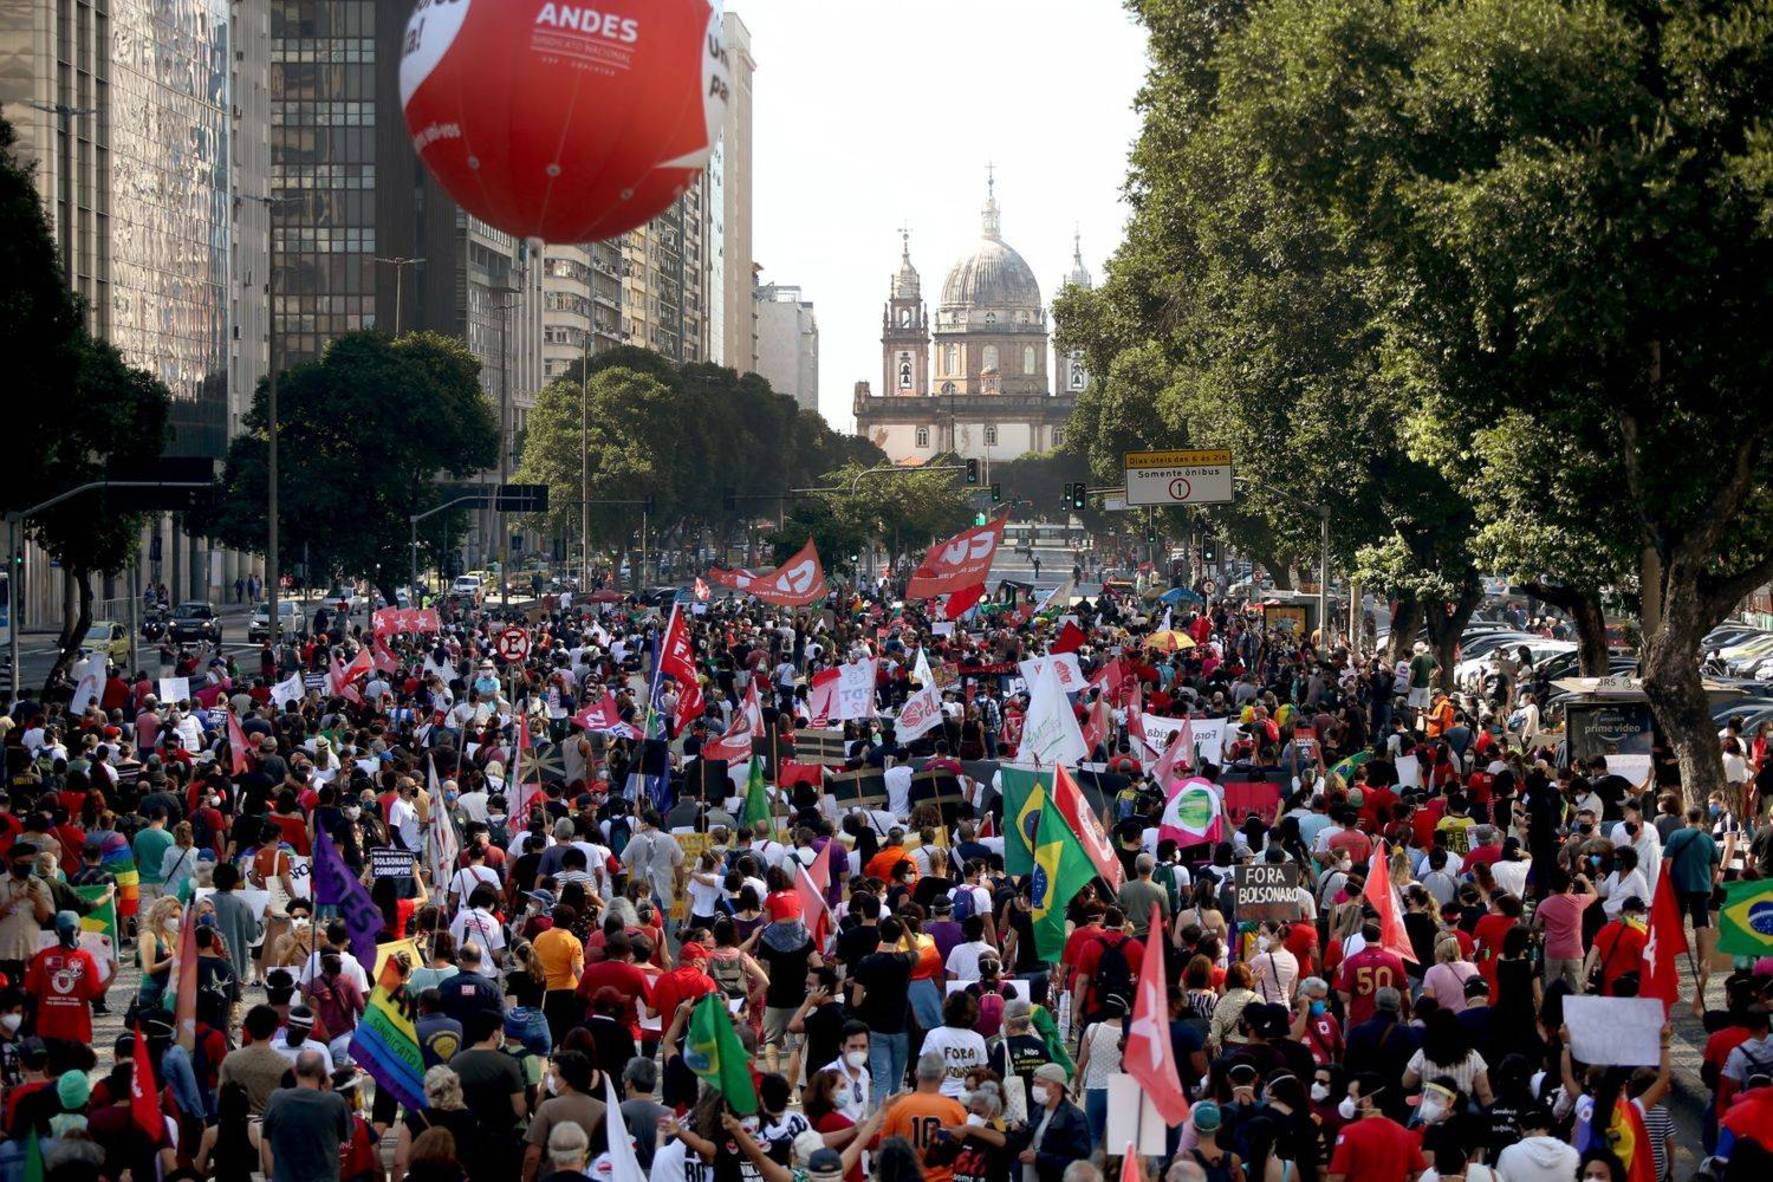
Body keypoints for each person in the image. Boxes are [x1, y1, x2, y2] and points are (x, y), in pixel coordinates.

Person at [261, 1048, 351, 1182]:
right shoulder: (334, 1102)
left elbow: (266, 1137)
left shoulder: (276, 1099)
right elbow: (345, 1136)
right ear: (322, 1073)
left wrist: (273, 1175)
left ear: (295, 1070)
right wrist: (329, 1090)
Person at [879, 1053, 968, 1182]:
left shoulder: (898, 1106)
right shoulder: (956, 1109)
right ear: (943, 1077)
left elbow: (884, 1146)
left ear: (916, 1074)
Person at [1325, 1072, 1425, 1182]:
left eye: (1351, 1096)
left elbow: (1336, 1178)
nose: (1347, 1101)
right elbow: (1419, 1174)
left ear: (1367, 1101)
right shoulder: (1404, 1134)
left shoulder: (1348, 1133)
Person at [1021, 1062, 1092, 1182]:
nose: (1034, 1088)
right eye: (1034, 1083)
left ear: (1057, 1087)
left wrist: (1039, 1158)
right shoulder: (1038, 1110)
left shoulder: (1074, 1118)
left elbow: (1079, 1161)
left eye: (1039, 1084)